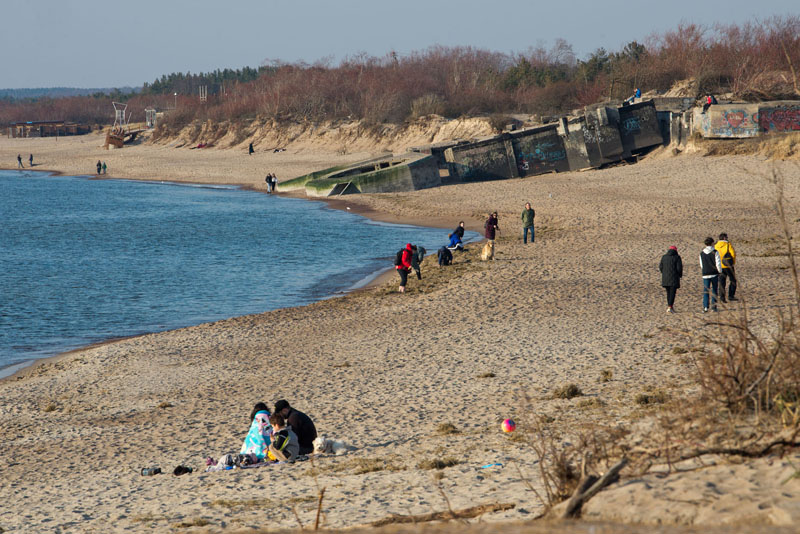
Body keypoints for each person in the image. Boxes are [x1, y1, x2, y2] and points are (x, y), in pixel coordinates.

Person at [701, 237, 722, 312]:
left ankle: (705, 307)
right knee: (714, 290)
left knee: (706, 290)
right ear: (712, 243)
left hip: (705, 273)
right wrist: (720, 271)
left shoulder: (702, 253)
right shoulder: (715, 252)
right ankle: (713, 307)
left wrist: (704, 270)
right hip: (714, 273)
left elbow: (701, 264)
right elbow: (718, 263)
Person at [659, 245, 683, 314]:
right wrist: (680, 275)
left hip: (665, 278)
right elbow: (679, 268)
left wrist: (664, 273)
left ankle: (670, 306)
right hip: (674, 278)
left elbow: (661, 267)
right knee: (672, 293)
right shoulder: (677, 257)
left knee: (668, 293)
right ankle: (670, 307)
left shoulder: (664, 257)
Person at [715, 233, 737, 302]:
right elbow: (733, 254)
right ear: (724, 238)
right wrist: (733, 263)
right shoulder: (728, 245)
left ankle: (722, 297)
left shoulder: (716, 245)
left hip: (720, 266)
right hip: (728, 265)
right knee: (733, 280)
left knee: (721, 282)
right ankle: (731, 295)